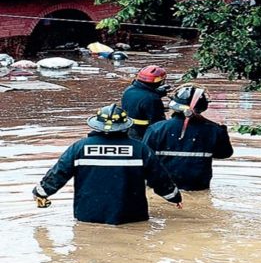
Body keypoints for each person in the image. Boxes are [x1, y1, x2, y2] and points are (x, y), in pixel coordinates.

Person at [32, 104, 183, 225]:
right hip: (131, 217)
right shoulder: (140, 149)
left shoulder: (79, 148)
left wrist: (41, 193)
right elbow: (159, 179)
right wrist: (174, 198)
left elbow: (59, 173)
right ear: (125, 126)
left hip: (88, 216)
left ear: (96, 125)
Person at [143, 84, 233, 191]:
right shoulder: (214, 131)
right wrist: (222, 132)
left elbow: (143, 158)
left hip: (162, 187)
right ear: (202, 107)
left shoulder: (156, 129)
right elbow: (225, 153)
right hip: (198, 187)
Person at [121, 65, 169, 140]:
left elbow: (141, 96)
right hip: (143, 134)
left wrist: (158, 92)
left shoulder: (128, 90)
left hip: (128, 130)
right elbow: (158, 123)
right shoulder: (152, 99)